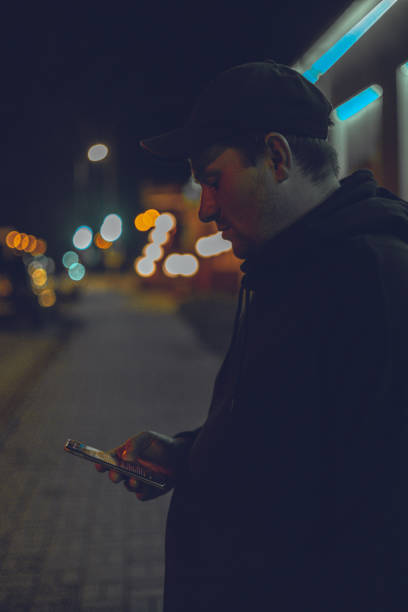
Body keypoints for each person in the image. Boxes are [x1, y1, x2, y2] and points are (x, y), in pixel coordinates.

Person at [97, 60, 408, 610]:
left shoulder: (374, 282)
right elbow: (285, 437)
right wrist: (188, 455)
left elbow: (377, 525)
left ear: (277, 157)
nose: (205, 208)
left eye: (212, 180)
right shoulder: (285, 268)